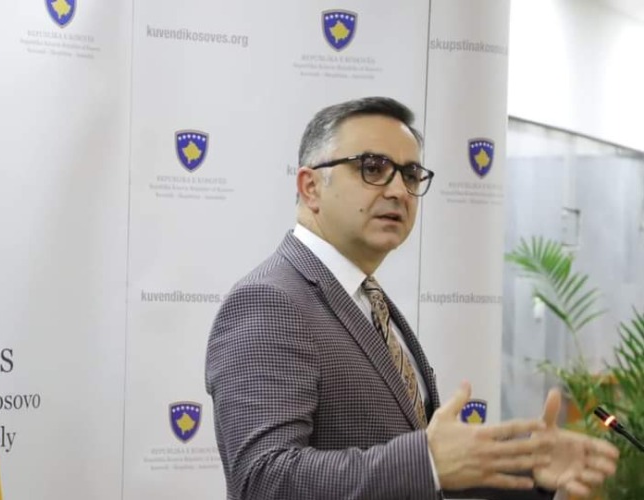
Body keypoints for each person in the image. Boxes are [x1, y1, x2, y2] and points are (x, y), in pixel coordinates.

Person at [204, 96, 620, 500]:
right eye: (373, 168)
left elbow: (423, 474)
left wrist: (528, 471)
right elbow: (262, 479)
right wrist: (429, 461)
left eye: (410, 174)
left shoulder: (367, 298)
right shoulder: (269, 301)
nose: (399, 191)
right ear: (310, 187)